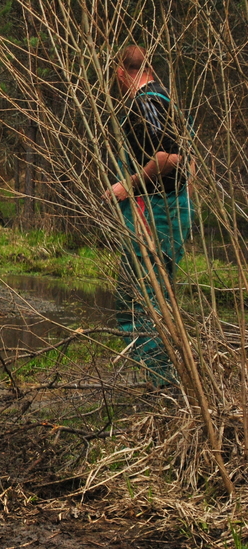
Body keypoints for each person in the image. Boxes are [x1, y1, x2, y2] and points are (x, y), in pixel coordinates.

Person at [106, 46, 193, 382]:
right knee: (160, 296)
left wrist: (127, 185)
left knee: (138, 299)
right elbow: (188, 159)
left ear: (121, 73)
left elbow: (167, 157)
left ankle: (159, 383)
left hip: (155, 211)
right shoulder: (168, 100)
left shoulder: (146, 104)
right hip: (173, 207)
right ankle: (170, 380)